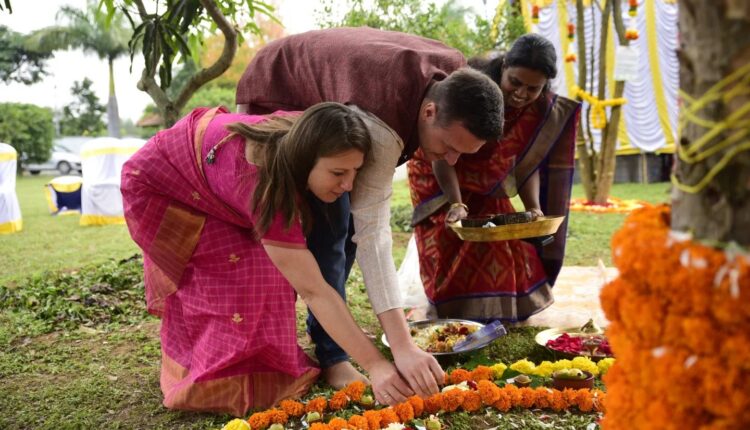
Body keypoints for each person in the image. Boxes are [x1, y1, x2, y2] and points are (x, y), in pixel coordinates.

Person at [235, 27, 504, 393]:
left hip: (335, 93)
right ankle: (334, 358)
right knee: (332, 232)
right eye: (448, 146)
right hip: (277, 84)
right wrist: (403, 346)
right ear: (428, 112)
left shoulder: (454, 77)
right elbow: (374, 237)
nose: (450, 159)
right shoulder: (381, 126)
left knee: (346, 231)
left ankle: (336, 339)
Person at [121, 102, 416, 416]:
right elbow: (314, 290)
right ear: (305, 158)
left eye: (355, 171)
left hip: (212, 177)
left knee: (268, 272)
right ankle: (213, 377)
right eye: (338, 173)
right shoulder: (262, 184)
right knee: (240, 273)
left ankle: (261, 366)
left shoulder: (303, 138)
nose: (348, 185)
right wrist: (377, 366)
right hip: (162, 187)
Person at [408, 33, 581, 322]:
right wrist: (456, 204)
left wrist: (534, 209)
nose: (521, 94)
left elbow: (527, 165)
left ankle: (496, 316)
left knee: (500, 240)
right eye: (515, 82)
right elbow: (440, 154)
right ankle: (452, 312)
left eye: (533, 88)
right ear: (502, 67)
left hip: (489, 183)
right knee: (450, 238)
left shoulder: (539, 113)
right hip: (439, 168)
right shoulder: (474, 91)